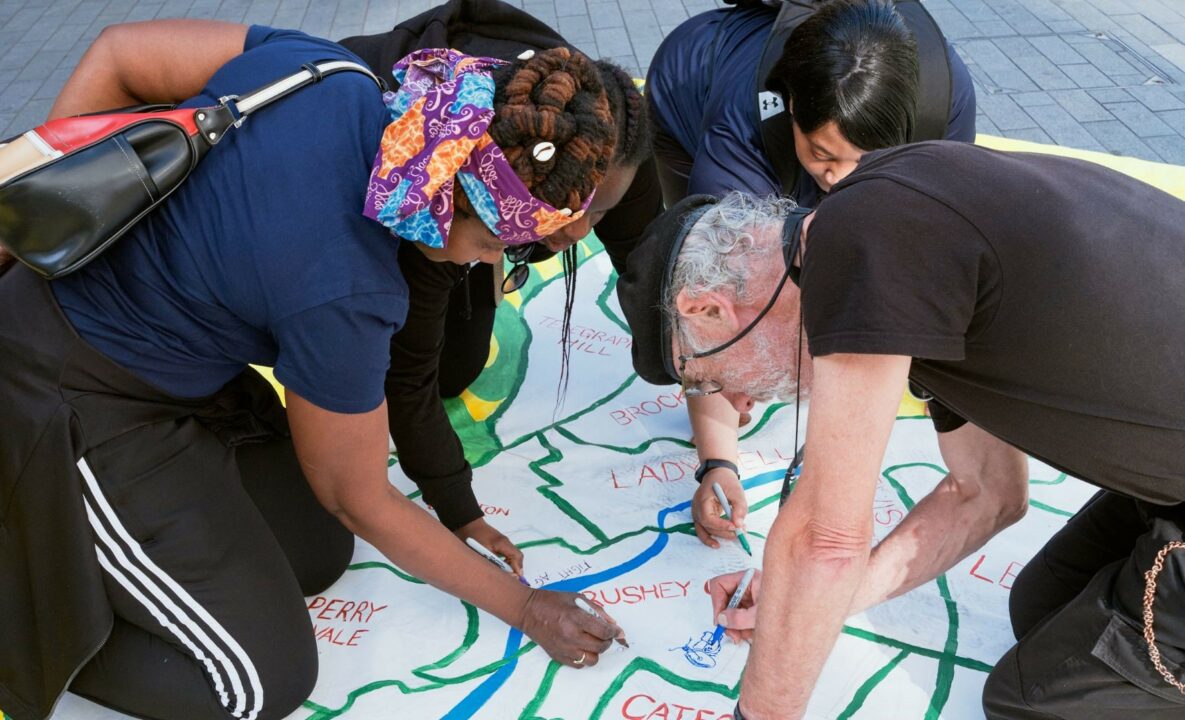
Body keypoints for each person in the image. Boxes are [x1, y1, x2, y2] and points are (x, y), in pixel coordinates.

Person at [0, 20, 627, 720]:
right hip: (65, 387)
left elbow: (118, 51)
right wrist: (525, 605)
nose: (489, 264)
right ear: (443, 193)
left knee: (316, 552)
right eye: (490, 244)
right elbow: (359, 497)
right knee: (251, 683)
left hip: (180, 368)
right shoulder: (349, 288)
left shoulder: (328, 73)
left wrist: (41, 201)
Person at [615, 142, 1185, 719]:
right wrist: (809, 606)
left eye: (709, 376)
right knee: (1042, 607)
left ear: (708, 309)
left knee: (1034, 703)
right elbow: (987, 490)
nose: (739, 402)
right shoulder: (883, 225)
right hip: (1165, 473)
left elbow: (826, 540)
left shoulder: (861, 255)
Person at [645, 0, 978, 555]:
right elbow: (719, 308)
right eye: (823, 156)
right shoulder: (742, 129)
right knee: (755, 291)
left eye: (864, 161)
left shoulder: (946, 102)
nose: (838, 182)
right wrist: (717, 456)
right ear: (792, 106)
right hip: (690, 91)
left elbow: (933, 243)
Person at [337, 0, 661, 567]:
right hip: (402, 192)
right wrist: (459, 511)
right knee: (410, 365)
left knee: (458, 369)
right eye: (496, 246)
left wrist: (694, 366)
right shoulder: (428, 199)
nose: (575, 232)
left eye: (596, 213)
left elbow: (649, 260)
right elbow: (407, 377)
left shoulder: (617, 146)